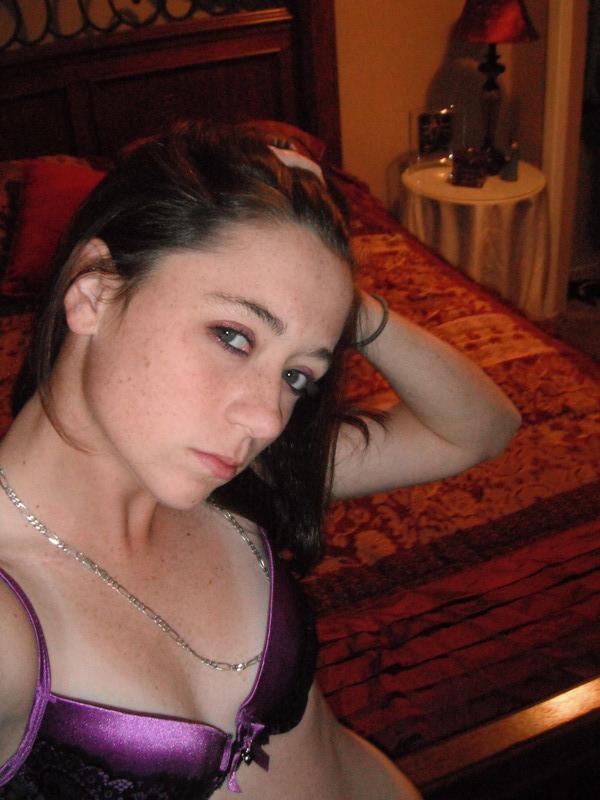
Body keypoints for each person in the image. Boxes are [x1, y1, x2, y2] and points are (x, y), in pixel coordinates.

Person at [0, 121, 520, 799]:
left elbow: (481, 429)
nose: (269, 419)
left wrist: (335, 302)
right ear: (93, 291)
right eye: (233, 336)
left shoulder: (231, 479)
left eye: (297, 375)